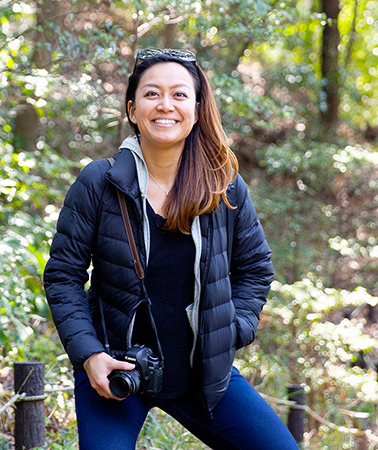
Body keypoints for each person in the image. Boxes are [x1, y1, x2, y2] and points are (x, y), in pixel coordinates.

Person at [43, 48, 298, 449]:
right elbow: (63, 276)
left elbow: (255, 267)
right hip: (116, 372)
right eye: (152, 94)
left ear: (196, 109)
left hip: (202, 374)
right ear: (132, 109)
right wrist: (90, 355)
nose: (165, 105)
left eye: (179, 94)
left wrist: (232, 330)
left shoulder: (223, 186)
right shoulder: (99, 182)